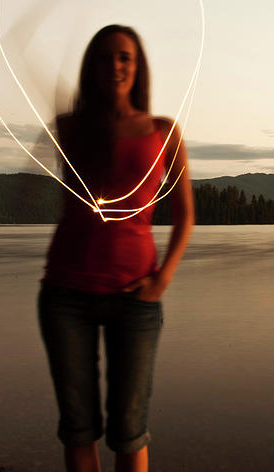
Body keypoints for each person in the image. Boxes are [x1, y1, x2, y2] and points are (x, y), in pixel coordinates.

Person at [38, 24, 194, 472]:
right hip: (67, 294)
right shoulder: (70, 129)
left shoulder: (165, 132)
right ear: (93, 66)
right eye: (105, 57)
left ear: (138, 66)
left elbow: (184, 215)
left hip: (135, 298)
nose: (116, 65)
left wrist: (162, 278)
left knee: (129, 432)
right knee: (78, 428)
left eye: (125, 57)